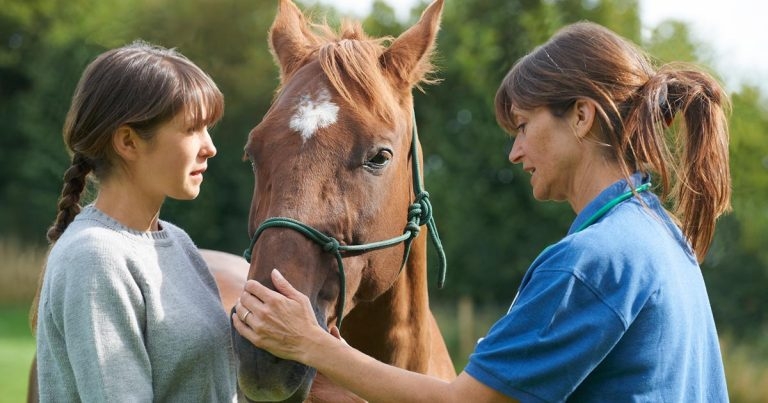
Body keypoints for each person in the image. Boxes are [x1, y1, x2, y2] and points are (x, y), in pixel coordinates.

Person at [233, 21, 731, 402]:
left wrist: (314, 347)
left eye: (523, 126)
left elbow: (467, 401)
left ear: (581, 116)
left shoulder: (589, 262)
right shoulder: (659, 235)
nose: (514, 153)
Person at [34, 41, 237, 401]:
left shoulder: (178, 243)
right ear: (128, 141)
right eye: (192, 129)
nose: (210, 146)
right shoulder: (95, 257)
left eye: (208, 128)